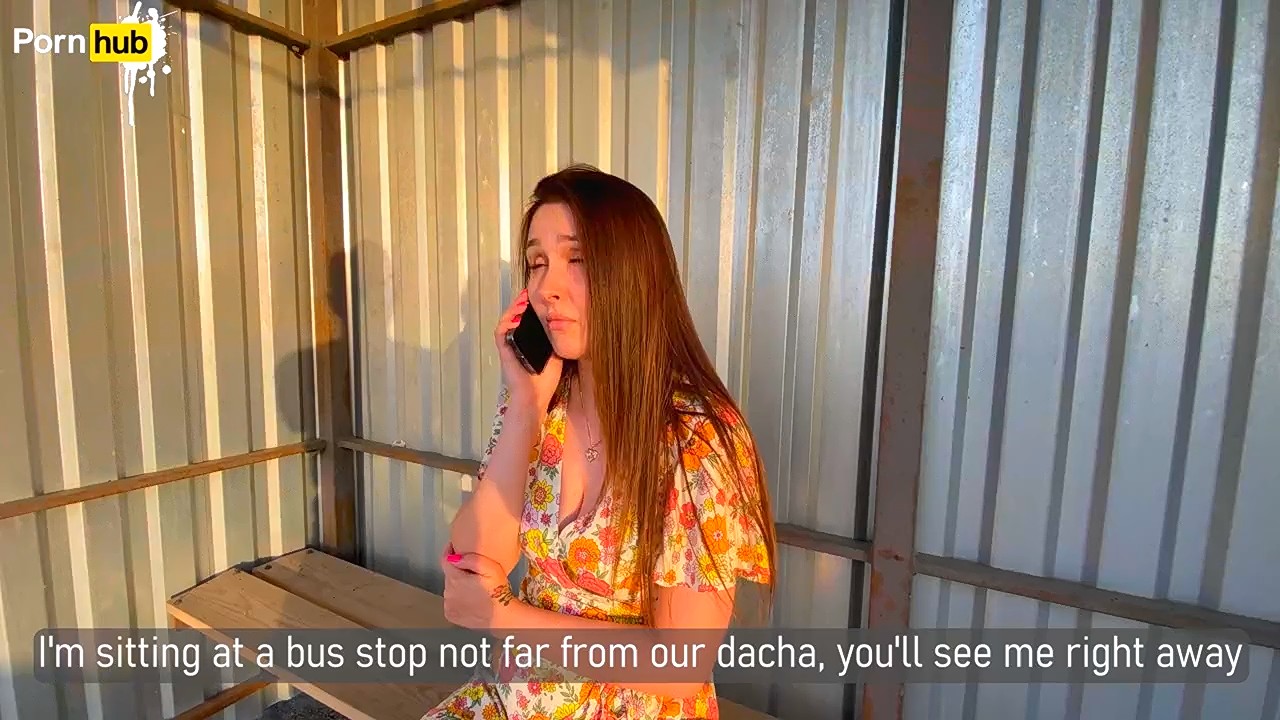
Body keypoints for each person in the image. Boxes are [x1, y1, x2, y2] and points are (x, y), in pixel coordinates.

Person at [422, 165, 777, 720]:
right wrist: (526, 405)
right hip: (515, 698)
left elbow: (680, 665)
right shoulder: (542, 400)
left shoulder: (698, 437)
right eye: (537, 263)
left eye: (577, 259)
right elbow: (476, 554)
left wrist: (506, 618)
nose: (546, 287)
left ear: (633, 274)